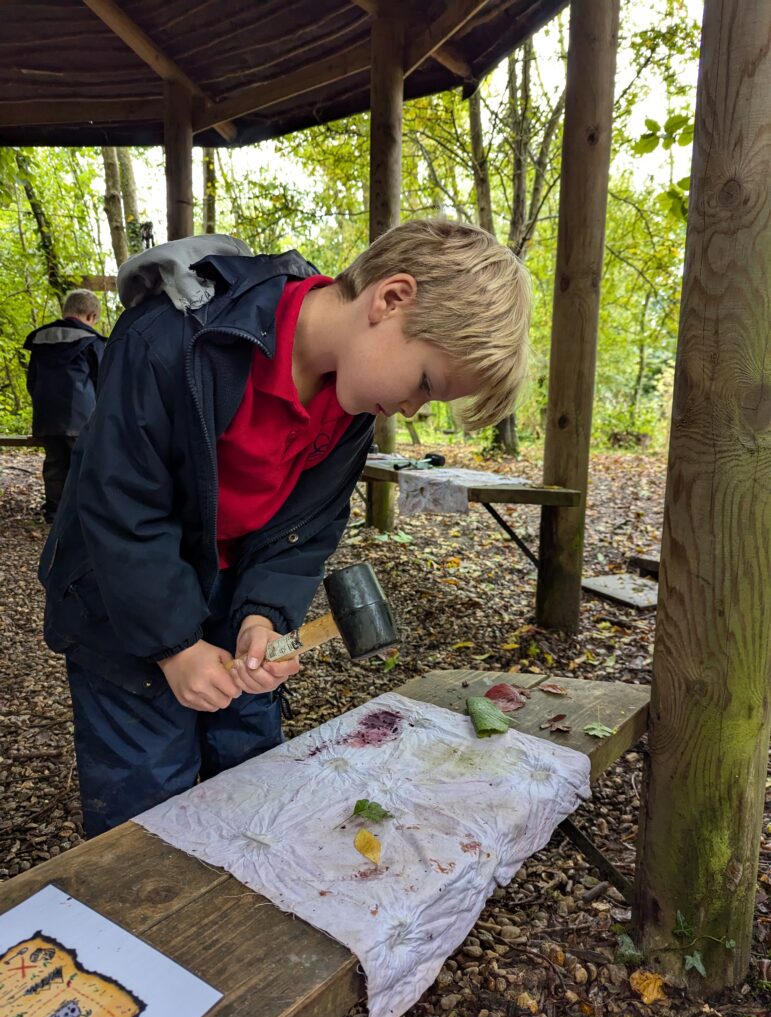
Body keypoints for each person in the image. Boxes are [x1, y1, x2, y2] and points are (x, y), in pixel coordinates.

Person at [38, 220, 532, 837]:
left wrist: (263, 614)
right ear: (391, 298)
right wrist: (175, 645)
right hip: (120, 605)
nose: (412, 409)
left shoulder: (352, 403)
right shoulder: (174, 339)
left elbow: (309, 523)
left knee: (251, 776)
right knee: (144, 797)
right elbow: (120, 504)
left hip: (230, 588)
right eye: (426, 383)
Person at [24, 289, 107, 523]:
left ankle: (55, 513)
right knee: (84, 464)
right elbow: (102, 381)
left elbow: (33, 380)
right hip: (82, 416)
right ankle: (84, 515)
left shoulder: (40, 340)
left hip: (46, 416)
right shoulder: (92, 342)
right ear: (91, 316)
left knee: (54, 464)